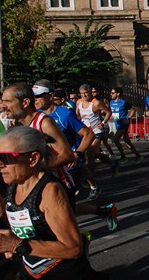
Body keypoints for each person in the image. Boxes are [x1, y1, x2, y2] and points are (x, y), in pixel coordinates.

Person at [0, 126, 107, 279]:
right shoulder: (14, 185)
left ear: (33, 159)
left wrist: (17, 245)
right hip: (30, 271)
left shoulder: (50, 191)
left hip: (62, 273)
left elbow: (73, 248)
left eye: (6, 158)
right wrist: (10, 242)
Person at [35, 81, 118, 232]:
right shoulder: (37, 116)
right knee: (61, 207)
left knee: (62, 207)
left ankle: (73, 241)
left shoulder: (64, 114)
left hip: (66, 165)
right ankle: (102, 211)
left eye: (38, 96)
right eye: (33, 96)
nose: (35, 100)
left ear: (50, 96)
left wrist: (77, 154)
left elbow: (88, 134)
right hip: (46, 166)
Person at [77, 84, 116, 199]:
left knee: (90, 154)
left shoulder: (96, 103)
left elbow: (108, 112)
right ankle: (112, 163)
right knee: (94, 154)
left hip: (96, 132)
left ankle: (91, 181)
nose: (84, 95)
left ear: (90, 92)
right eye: (82, 93)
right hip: (85, 133)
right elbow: (77, 115)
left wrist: (102, 123)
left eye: (86, 93)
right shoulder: (79, 103)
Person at [109, 87, 142, 164]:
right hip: (118, 123)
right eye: (111, 93)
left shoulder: (123, 103)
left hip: (124, 123)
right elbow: (112, 112)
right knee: (126, 140)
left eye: (113, 93)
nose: (111, 94)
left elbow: (133, 109)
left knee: (115, 139)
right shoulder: (111, 102)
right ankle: (138, 155)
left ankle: (123, 157)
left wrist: (129, 117)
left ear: (118, 94)